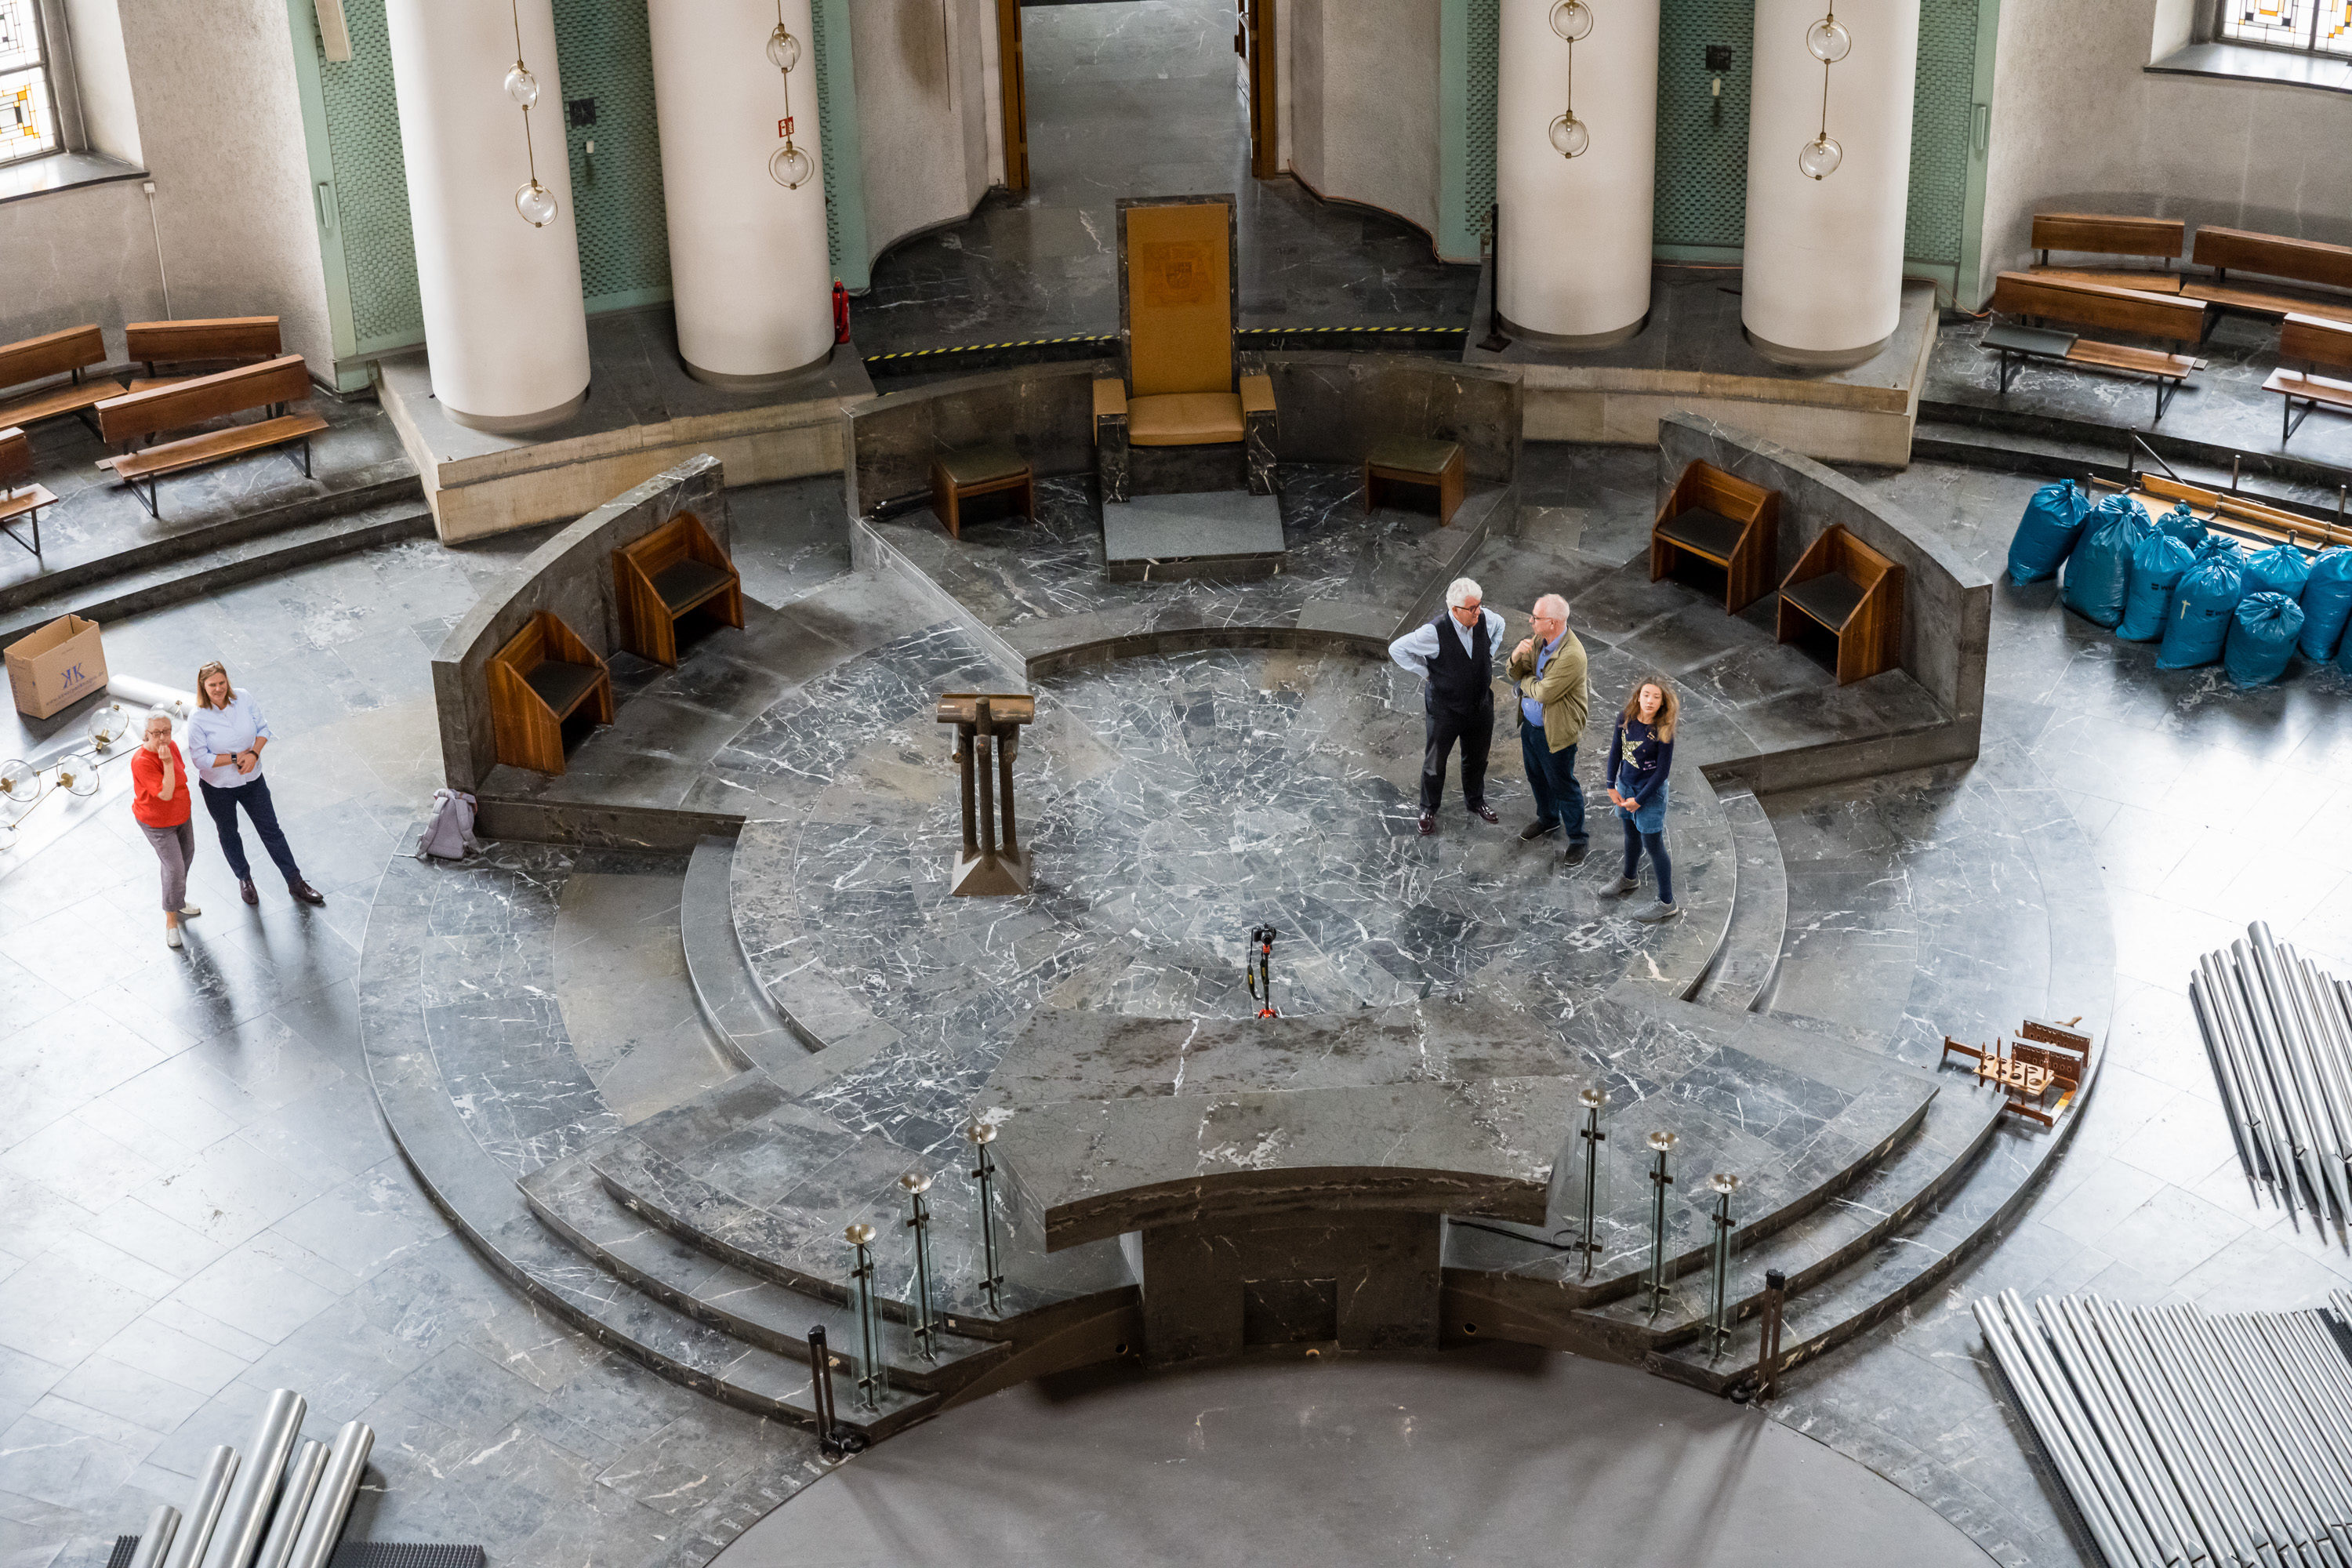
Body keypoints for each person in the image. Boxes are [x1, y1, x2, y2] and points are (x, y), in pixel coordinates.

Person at [185, 660, 327, 907]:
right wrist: (234, 758)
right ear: (203, 687)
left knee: (271, 830)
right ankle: (244, 879)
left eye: (222, 682)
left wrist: (253, 755)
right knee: (229, 833)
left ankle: (295, 882)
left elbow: (263, 729)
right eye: (212, 685)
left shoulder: (243, 698)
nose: (218, 689)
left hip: (253, 780)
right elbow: (199, 759)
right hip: (218, 789)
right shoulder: (197, 718)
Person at [1388, 576, 1506, 836]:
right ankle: (1429, 808)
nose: (1478, 612)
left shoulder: (1485, 618)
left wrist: (1490, 652)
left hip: (1480, 706)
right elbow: (1397, 649)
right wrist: (1427, 673)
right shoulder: (1433, 632)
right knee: (1435, 762)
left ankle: (1475, 801)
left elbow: (1501, 624)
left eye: (1479, 605)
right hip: (1445, 710)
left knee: (1477, 759)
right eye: (1472, 608)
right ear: (1455, 609)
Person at [1507, 593, 1589, 865]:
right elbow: (1515, 671)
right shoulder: (1539, 640)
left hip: (1556, 732)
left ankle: (1578, 838)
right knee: (1536, 777)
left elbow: (1544, 693)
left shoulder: (1572, 655)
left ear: (1552, 622)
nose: (1530, 621)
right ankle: (1548, 819)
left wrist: (1523, 684)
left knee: (1563, 785)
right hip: (1531, 727)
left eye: (1536, 617)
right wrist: (1516, 656)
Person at [1606, 674, 1681, 924]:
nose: (1650, 701)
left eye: (1656, 697)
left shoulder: (1663, 730)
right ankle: (1629, 878)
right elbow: (1616, 751)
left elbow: (1662, 773)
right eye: (1646, 695)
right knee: (1630, 833)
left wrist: (1639, 800)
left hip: (1650, 793)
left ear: (1662, 702)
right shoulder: (1625, 718)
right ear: (1638, 696)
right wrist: (1611, 785)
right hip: (1625, 786)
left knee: (1654, 845)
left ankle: (1667, 902)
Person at [131, 709, 202, 949]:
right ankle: (171, 920)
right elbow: (166, 792)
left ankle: (177, 900)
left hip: (181, 815)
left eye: (166, 732)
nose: (162, 737)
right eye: (156, 733)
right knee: (174, 868)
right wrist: (168, 763)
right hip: (157, 823)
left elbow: (182, 779)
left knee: (186, 857)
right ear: (146, 734)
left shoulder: (171, 746)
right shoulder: (142, 761)